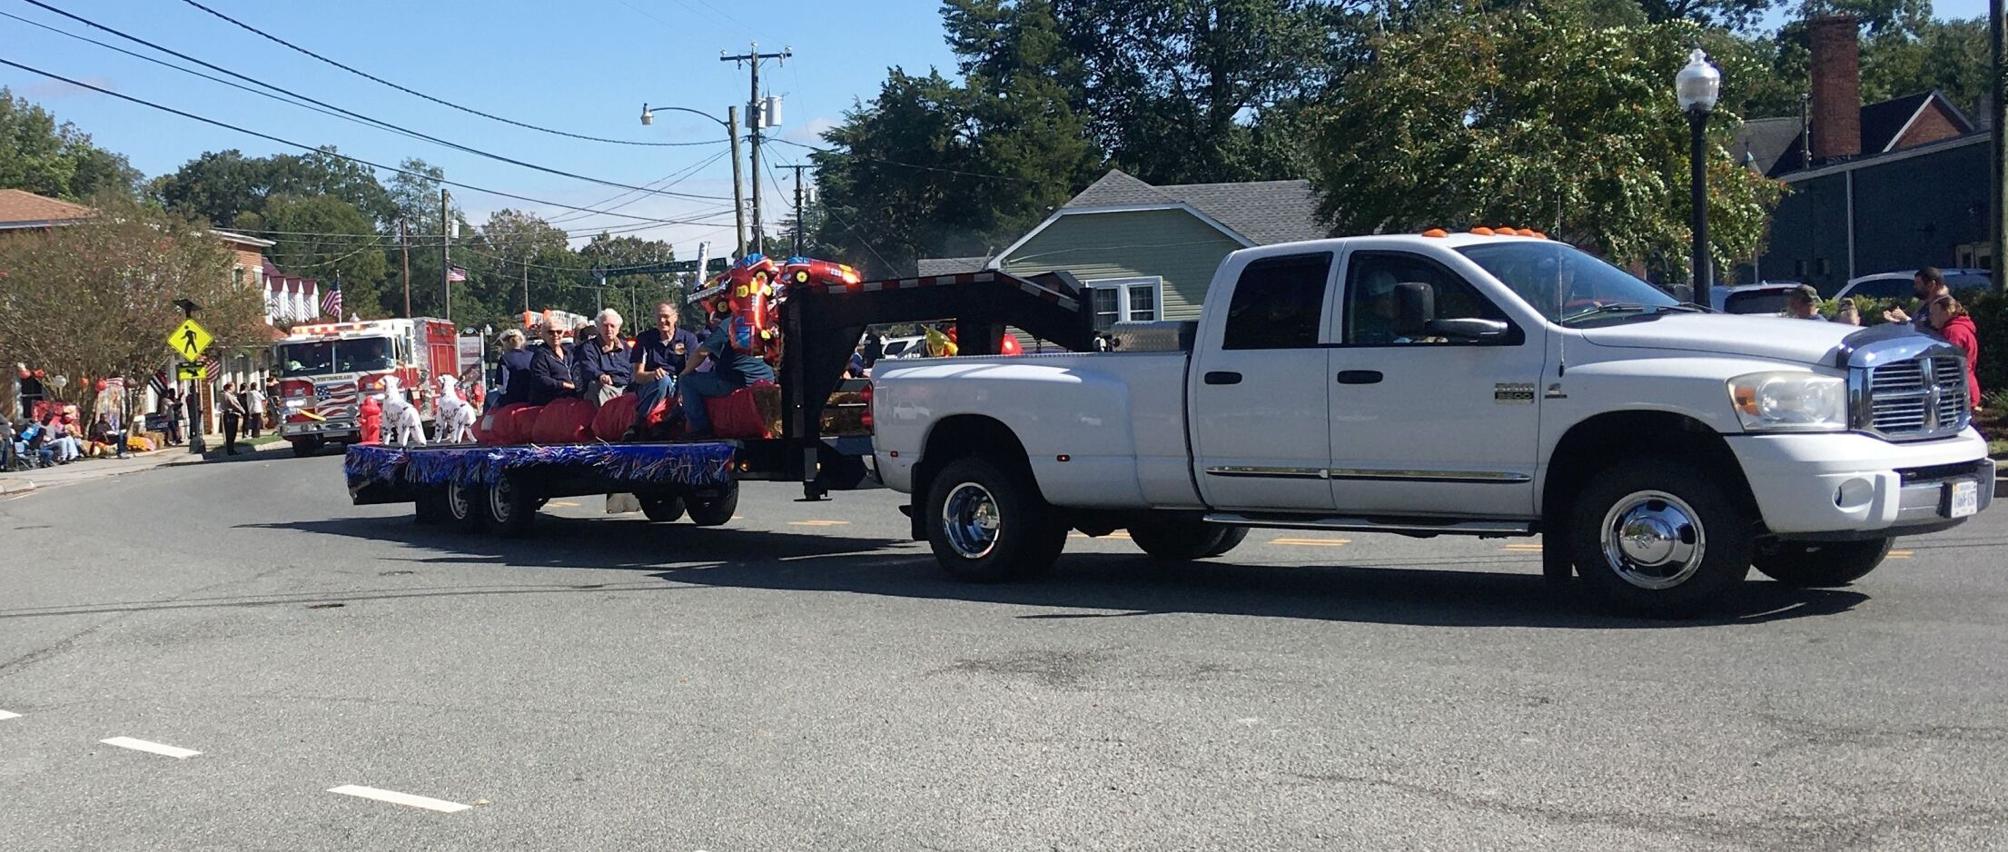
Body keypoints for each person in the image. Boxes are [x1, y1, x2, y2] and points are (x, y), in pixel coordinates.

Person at [678, 303, 777, 438]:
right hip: (767, 379)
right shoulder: (765, 321)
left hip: (735, 382)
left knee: (687, 381)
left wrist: (684, 373)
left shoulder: (731, 322)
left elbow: (702, 352)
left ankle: (699, 430)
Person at [630, 302, 702, 417]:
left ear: (675, 317)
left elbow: (691, 370)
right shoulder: (644, 339)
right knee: (664, 381)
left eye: (666, 316)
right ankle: (640, 421)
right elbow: (638, 376)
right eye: (659, 317)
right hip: (651, 385)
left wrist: (682, 389)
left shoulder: (688, 338)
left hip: (680, 383)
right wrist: (652, 375)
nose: (662, 320)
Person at [1928, 295, 1983, 410]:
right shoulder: (1960, 328)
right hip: (1966, 388)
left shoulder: (1953, 332)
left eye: (1934, 313)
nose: (1930, 318)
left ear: (1946, 312)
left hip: (1961, 392)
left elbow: (1949, 364)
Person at [574, 308, 633, 406]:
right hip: (605, 388)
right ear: (598, 327)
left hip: (625, 387)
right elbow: (588, 367)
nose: (609, 329)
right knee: (596, 387)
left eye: (612, 326)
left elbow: (633, 370)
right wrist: (600, 375)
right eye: (605, 325)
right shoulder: (589, 347)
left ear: (618, 328)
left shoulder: (626, 348)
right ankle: (608, 420)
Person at [1882, 267, 1951, 333]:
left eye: (1918, 283)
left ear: (1931, 284)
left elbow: (1930, 331)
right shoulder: (1925, 303)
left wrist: (1905, 319)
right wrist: (1896, 319)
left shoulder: (1942, 307)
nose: (1915, 287)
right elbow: (1917, 322)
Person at [525, 323, 577, 405]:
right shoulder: (540, 355)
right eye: (551, 332)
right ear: (543, 335)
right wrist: (564, 385)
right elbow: (541, 379)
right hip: (549, 402)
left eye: (559, 332)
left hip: (571, 397)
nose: (555, 335)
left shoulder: (569, 353)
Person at [492, 329, 535, 409]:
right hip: (533, 399)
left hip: (512, 401)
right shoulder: (532, 356)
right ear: (522, 341)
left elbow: (502, 387)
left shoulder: (505, 359)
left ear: (505, 343)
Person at [219, 382, 246, 455]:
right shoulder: (227, 395)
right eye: (233, 386)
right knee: (231, 433)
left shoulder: (224, 394)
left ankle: (231, 449)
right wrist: (242, 411)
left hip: (228, 414)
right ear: (230, 387)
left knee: (230, 434)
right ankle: (230, 450)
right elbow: (234, 404)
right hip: (230, 415)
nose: (234, 388)